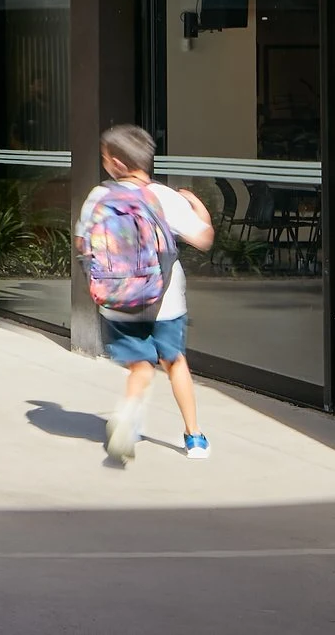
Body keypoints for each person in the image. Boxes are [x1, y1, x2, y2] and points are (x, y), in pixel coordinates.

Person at [79, 123, 216, 464]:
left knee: (140, 366)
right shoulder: (163, 197)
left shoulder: (98, 197)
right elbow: (204, 239)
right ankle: (194, 436)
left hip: (116, 302)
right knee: (175, 362)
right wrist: (200, 209)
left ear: (116, 164)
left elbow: (84, 247)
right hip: (164, 300)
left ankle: (129, 413)